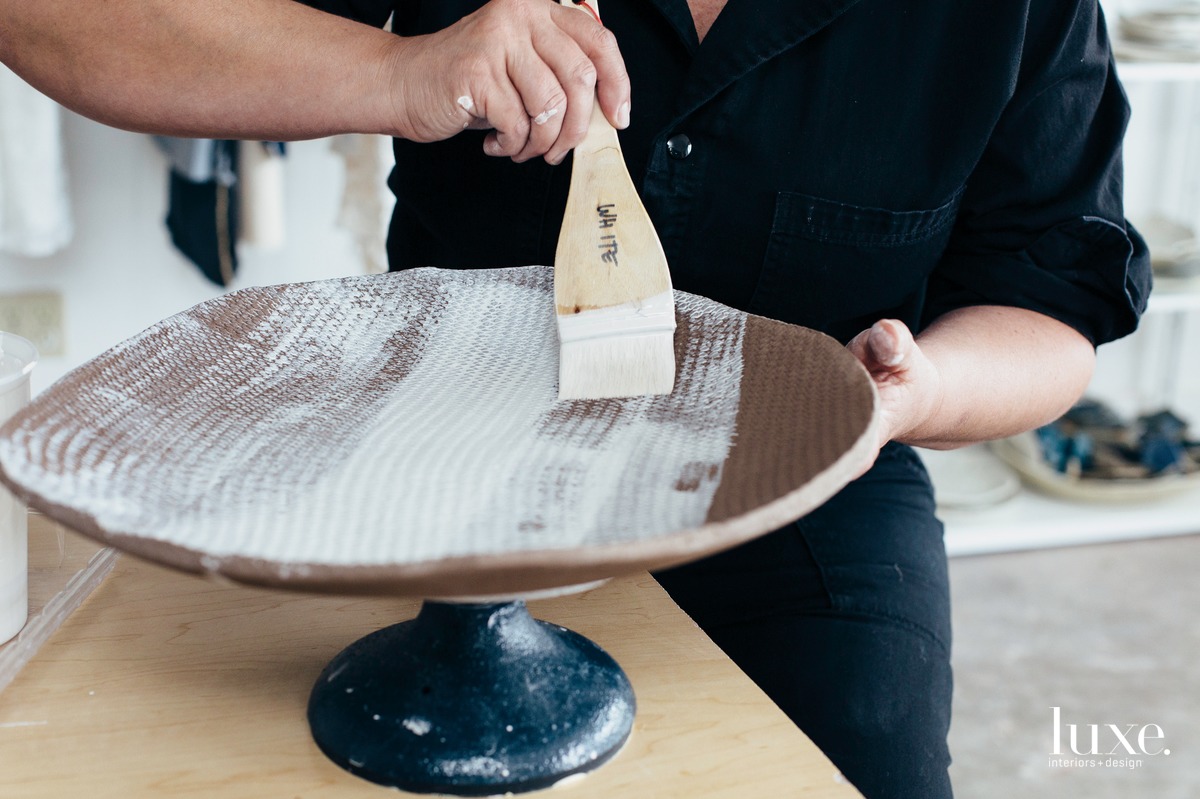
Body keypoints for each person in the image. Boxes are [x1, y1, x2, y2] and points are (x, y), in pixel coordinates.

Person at [0, 1, 1150, 796]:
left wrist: (916, 387)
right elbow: (52, 21)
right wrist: (399, 70)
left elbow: (1053, 297)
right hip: (435, 462)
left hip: (807, 498)